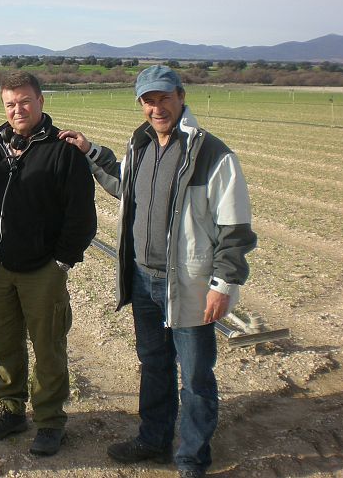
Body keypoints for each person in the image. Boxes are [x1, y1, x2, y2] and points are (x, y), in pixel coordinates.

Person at [59, 65, 257, 478]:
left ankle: (191, 460)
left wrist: (223, 285)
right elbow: (123, 185)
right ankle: (153, 440)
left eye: (163, 97)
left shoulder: (212, 155)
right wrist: (91, 152)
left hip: (189, 282)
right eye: (148, 100)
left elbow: (234, 229)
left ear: (181, 96)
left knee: (196, 376)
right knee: (154, 365)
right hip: (144, 278)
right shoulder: (142, 144)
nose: (156, 107)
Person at [0, 71, 97, 457]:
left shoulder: (63, 152)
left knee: (48, 346)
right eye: (10, 103)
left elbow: (81, 216)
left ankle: (50, 421)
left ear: (40, 101)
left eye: (24, 101)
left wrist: (61, 260)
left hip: (42, 269)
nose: (17, 109)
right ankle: (10, 411)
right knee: (3, 343)